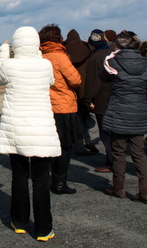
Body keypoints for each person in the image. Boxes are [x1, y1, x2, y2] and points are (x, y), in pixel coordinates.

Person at [0, 27, 60, 242]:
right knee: (41, 180)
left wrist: (3, 53)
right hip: (42, 129)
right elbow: (50, 82)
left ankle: (19, 221)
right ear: (36, 44)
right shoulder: (45, 64)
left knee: (19, 176)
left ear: (16, 44)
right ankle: (43, 229)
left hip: (17, 128)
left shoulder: (10, 65)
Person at [100, 31, 147, 204]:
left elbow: (103, 77)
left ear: (119, 45)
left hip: (119, 111)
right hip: (138, 111)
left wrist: (112, 56)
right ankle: (146, 193)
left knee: (118, 153)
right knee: (139, 154)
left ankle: (118, 188)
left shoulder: (113, 61)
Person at [39, 24, 82, 194]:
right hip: (64, 105)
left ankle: (52, 177)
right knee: (65, 145)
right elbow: (76, 80)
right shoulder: (59, 56)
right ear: (57, 38)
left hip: (47, 105)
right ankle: (60, 180)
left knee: (52, 144)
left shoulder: (40, 55)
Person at [83, 29, 114, 171]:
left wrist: (88, 100)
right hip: (117, 97)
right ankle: (117, 162)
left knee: (106, 133)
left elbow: (92, 83)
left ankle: (110, 163)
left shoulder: (94, 58)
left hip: (102, 99)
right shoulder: (114, 54)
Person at [63, 29, 94, 155]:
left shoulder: (63, 50)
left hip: (67, 89)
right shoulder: (87, 50)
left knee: (67, 119)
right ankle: (85, 142)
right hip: (83, 87)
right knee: (83, 118)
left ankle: (70, 143)